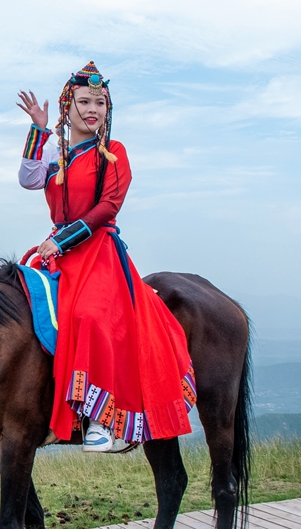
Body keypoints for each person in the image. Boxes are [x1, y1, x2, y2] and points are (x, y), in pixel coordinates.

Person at [17, 62, 196, 452]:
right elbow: (28, 179)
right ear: (69, 107)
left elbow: (108, 207)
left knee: (90, 315)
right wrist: (38, 128)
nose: (92, 108)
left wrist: (65, 240)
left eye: (99, 102)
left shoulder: (113, 152)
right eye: (84, 101)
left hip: (96, 249)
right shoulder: (55, 155)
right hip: (56, 251)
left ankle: (100, 417)